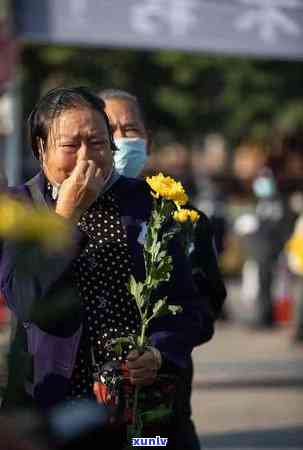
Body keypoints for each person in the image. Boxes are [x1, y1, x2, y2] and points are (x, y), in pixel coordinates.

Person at [0, 87, 214, 449]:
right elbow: (23, 297)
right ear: (40, 150)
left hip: (137, 411)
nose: (87, 157)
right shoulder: (18, 208)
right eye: (71, 145)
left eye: (97, 142)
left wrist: (160, 351)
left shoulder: (148, 204)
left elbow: (187, 305)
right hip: (50, 404)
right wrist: (65, 219)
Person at [99, 88, 226, 450]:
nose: (122, 140)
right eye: (109, 129)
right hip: (90, 407)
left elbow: (205, 306)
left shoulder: (183, 219)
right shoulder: (72, 215)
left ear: (148, 140)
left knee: (153, 444)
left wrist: (158, 348)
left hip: (162, 406)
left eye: (131, 129)